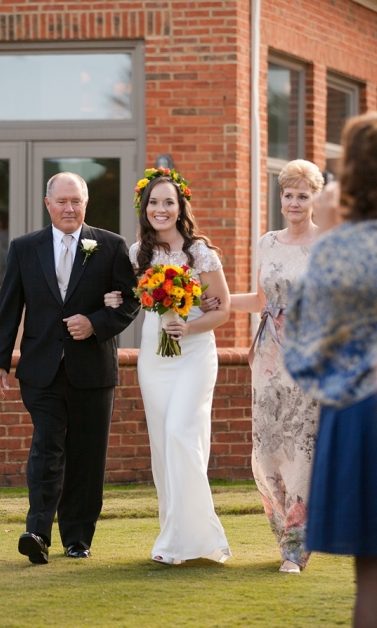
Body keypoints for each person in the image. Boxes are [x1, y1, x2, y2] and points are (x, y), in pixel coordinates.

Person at [0, 172, 138, 564]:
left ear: (86, 204)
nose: (70, 208)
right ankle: (37, 531)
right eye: (62, 201)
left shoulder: (111, 245)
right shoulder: (24, 248)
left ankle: (77, 538)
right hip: (41, 370)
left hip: (93, 371)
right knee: (46, 446)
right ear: (47, 203)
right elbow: (8, 310)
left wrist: (95, 323)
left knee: (87, 456)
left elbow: (129, 303)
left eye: (77, 201)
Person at [204, 160, 322, 574]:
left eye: (302, 195)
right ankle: (283, 534)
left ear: (314, 199)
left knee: (301, 450)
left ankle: (297, 548)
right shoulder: (267, 242)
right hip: (267, 362)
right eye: (288, 194)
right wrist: (216, 300)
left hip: (306, 360)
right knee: (268, 450)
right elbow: (259, 300)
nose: (293, 202)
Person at [284, 111, 377, 627]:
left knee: (370, 577)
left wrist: (343, 387)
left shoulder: (337, 247)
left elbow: (301, 347)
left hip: (358, 415)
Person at [124, 167, 232, 565]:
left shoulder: (200, 251)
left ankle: (196, 537)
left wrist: (189, 326)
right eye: (154, 202)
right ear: (145, 207)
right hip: (155, 356)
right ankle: (176, 536)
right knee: (163, 446)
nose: (161, 209)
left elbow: (222, 308)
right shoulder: (138, 254)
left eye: (168, 201)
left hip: (194, 354)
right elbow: (128, 297)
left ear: (180, 205)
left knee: (181, 434)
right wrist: (115, 300)